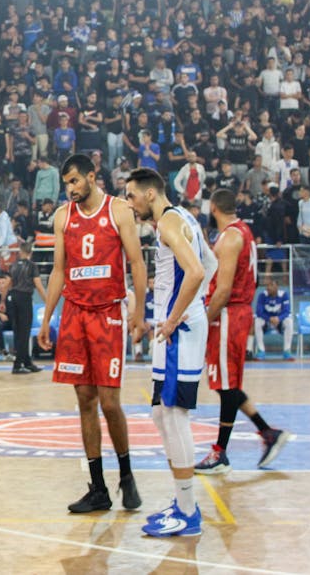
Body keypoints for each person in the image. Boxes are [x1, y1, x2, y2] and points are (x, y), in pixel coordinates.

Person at [37, 153, 147, 513]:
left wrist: (139, 311)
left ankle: (127, 477)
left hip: (108, 313)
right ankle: (98, 487)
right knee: (84, 400)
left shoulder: (119, 211)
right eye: (65, 183)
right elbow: (58, 271)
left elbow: (135, 262)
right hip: (74, 315)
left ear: (91, 177)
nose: (69, 188)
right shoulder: (62, 217)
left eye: (74, 181)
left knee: (110, 402)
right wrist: (46, 318)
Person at [123, 167, 215, 537]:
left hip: (178, 332)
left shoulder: (168, 225)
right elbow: (211, 264)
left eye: (130, 196)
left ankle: (189, 512)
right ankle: (181, 502)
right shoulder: (185, 217)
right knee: (161, 414)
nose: (129, 204)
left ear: (149, 194)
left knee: (174, 416)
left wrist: (177, 316)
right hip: (175, 329)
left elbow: (194, 272)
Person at [198, 190, 291, 476]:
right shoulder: (243, 231)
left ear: (213, 208)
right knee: (228, 383)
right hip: (234, 314)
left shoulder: (229, 238)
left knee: (226, 386)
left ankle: (220, 452)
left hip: (229, 314)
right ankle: (268, 432)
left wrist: (204, 320)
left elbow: (224, 289)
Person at [8, 241, 47, 374]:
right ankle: (18, 364)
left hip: (13, 298)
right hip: (24, 299)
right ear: (31, 252)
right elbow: (38, 285)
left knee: (18, 332)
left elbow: (9, 283)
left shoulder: (13, 266)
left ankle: (27, 362)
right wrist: (48, 301)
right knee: (24, 333)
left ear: (20, 251)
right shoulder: (31, 266)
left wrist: (3, 300)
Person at [253, 277, 295, 362]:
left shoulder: (284, 295)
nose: (268, 287)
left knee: (289, 321)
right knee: (257, 321)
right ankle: (261, 351)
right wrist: (269, 318)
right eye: (267, 285)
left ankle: (287, 351)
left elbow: (287, 311)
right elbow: (259, 312)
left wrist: (279, 318)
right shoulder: (262, 295)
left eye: (271, 285)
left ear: (277, 287)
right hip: (267, 323)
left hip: (279, 323)